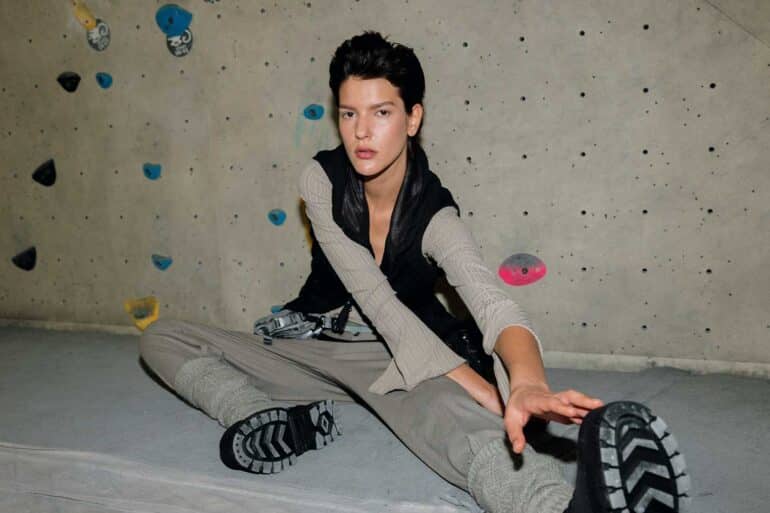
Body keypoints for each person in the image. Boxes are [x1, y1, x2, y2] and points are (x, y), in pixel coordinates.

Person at [139, 31, 690, 513]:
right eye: (349, 113)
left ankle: (559, 508)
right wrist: (482, 386)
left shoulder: (435, 215)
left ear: (413, 118)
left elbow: (491, 302)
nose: (361, 132)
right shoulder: (321, 181)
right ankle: (271, 419)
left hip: (399, 357)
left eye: (381, 113)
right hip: (312, 344)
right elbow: (372, 297)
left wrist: (524, 384)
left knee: (465, 430)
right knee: (163, 339)